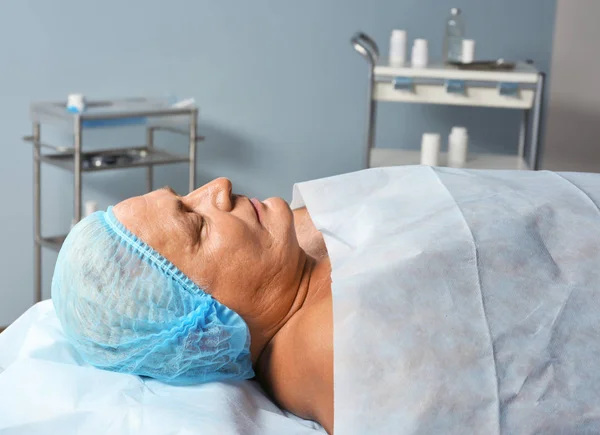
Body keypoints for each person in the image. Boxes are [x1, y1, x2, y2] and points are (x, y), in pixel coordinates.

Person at [52, 178, 334, 434]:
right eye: (198, 224)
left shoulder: (290, 247)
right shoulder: (328, 342)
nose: (220, 186)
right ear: (206, 333)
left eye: (185, 196)